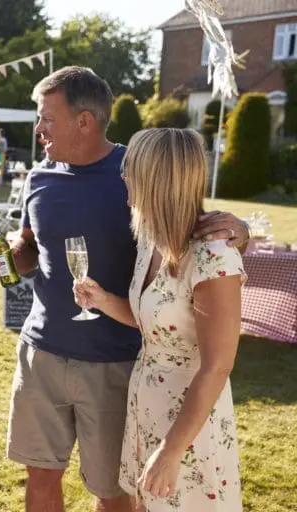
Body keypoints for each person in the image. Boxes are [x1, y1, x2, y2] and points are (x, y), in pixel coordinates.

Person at [0, 66, 249, 512]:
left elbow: (193, 230)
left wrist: (240, 232)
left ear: (84, 121)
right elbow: (28, 249)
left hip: (117, 363)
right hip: (42, 352)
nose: (38, 128)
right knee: (41, 474)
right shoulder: (39, 178)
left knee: (115, 490)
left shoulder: (138, 169)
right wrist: (10, 254)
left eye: (46, 117)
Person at [73, 128, 244, 512]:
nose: (123, 175)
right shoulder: (152, 240)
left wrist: (171, 451)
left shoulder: (214, 256)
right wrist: (102, 300)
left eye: (130, 167)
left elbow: (217, 367)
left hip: (190, 423)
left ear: (157, 177)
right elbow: (154, 322)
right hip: (146, 403)